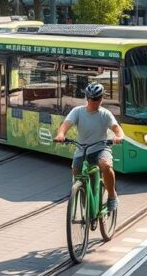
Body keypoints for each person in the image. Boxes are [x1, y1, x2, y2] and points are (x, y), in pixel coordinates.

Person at [54, 83, 126, 213]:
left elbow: (116, 128)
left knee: (105, 166)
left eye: (97, 99)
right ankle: (82, 193)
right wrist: (60, 134)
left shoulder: (105, 114)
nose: (94, 102)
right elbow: (65, 125)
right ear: (87, 99)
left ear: (101, 99)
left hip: (101, 148)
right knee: (76, 170)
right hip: (82, 149)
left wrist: (119, 136)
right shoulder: (78, 112)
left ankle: (111, 195)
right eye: (92, 99)